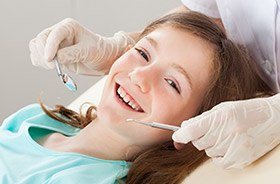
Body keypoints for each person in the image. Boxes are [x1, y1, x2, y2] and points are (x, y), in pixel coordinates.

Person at [4, 12, 273, 183]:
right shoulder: (33, 119)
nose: (140, 77)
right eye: (143, 54)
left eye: (171, 83)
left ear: (194, 126)